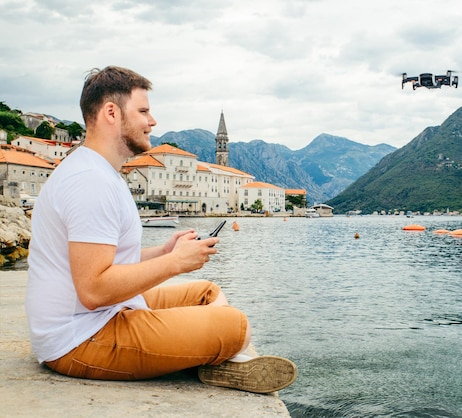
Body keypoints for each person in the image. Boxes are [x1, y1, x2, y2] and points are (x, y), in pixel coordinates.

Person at [25, 65, 296, 394]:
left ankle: (205, 356)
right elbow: (94, 290)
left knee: (206, 292)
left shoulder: (97, 172)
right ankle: (212, 356)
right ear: (112, 112)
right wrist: (176, 263)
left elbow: (103, 257)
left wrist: (163, 252)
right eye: (143, 111)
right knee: (235, 326)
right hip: (81, 337)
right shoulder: (90, 183)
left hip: (96, 316)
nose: (152, 121)